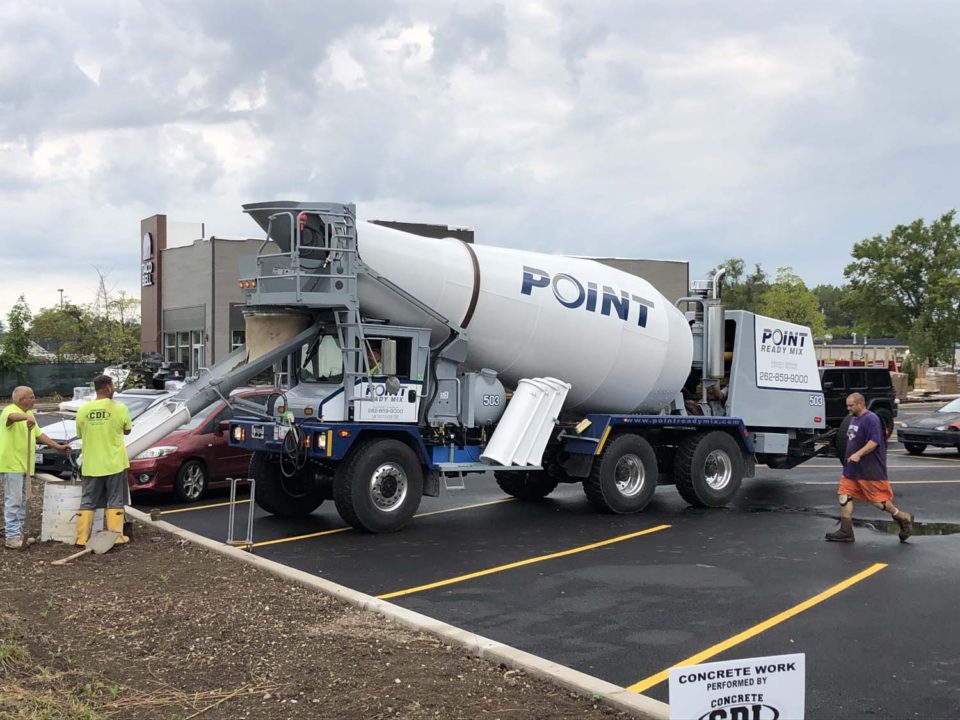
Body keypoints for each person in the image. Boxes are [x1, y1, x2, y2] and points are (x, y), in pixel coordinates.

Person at [826, 392, 913, 543]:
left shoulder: (871, 419)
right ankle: (846, 531)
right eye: (847, 405)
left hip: (869, 470)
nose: (848, 408)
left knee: (878, 501)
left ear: (861, 404)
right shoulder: (854, 419)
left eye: (851, 405)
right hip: (851, 469)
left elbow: (874, 442)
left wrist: (858, 454)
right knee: (844, 496)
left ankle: (903, 517)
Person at [0, 386, 70, 549]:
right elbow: (12, 417)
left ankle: (20, 533)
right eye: (31, 397)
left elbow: (39, 434)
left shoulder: (29, 414)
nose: (34, 399)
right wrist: (25, 417)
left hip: (25, 465)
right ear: (21, 399)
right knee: (14, 501)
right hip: (12, 465)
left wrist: (57, 446)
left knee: (24, 501)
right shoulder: (9, 410)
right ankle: (12, 536)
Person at [75, 375, 133, 546]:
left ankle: (81, 538)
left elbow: (79, 433)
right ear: (108, 387)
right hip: (114, 463)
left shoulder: (83, 410)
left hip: (91, 463)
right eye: (113, 386)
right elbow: (127, 430)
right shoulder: (120, 408)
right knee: (115, 500)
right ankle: (116, 536)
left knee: (87, 501)